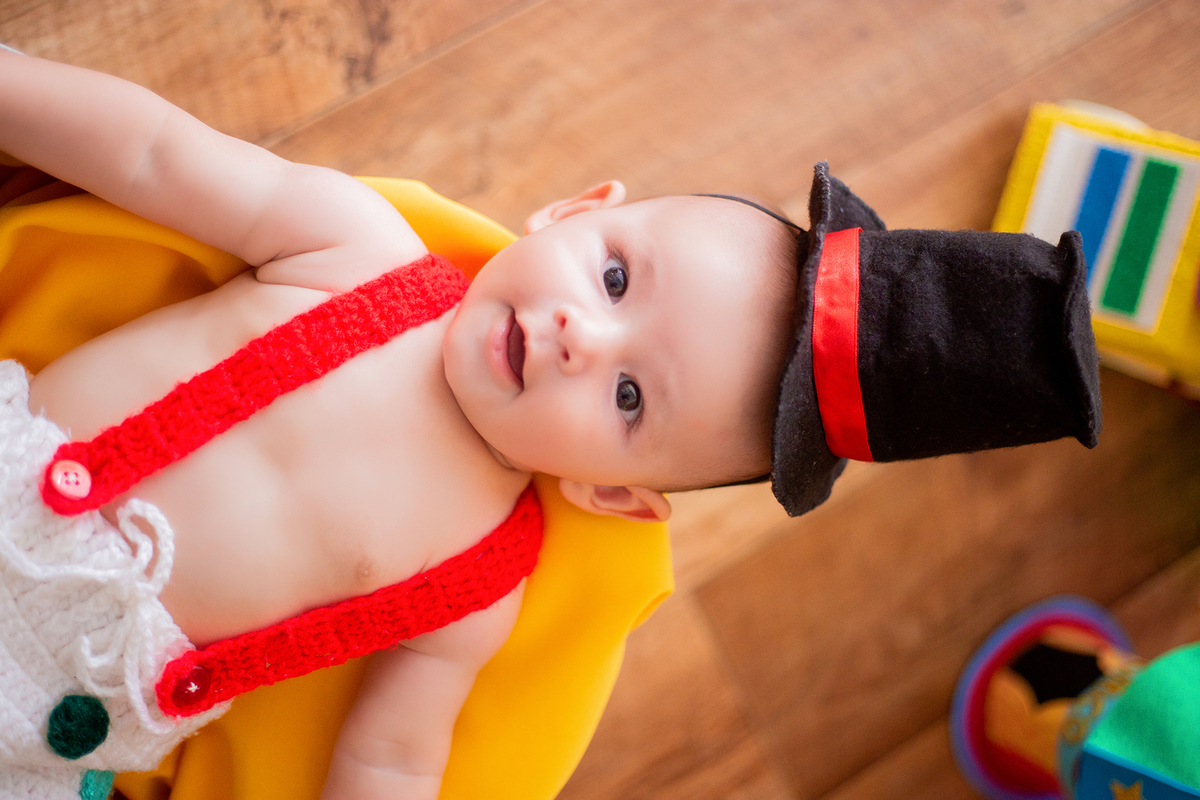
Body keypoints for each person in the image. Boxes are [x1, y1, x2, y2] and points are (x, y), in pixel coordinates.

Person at [0, 51, 1101, 800]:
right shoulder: (353, 246)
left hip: (45, 720)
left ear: (612, 495)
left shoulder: (479, 583)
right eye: (616, 274)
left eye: (629, 399)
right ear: (574, 210)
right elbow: (152, 151)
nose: (583, 336)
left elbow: (390, 757)